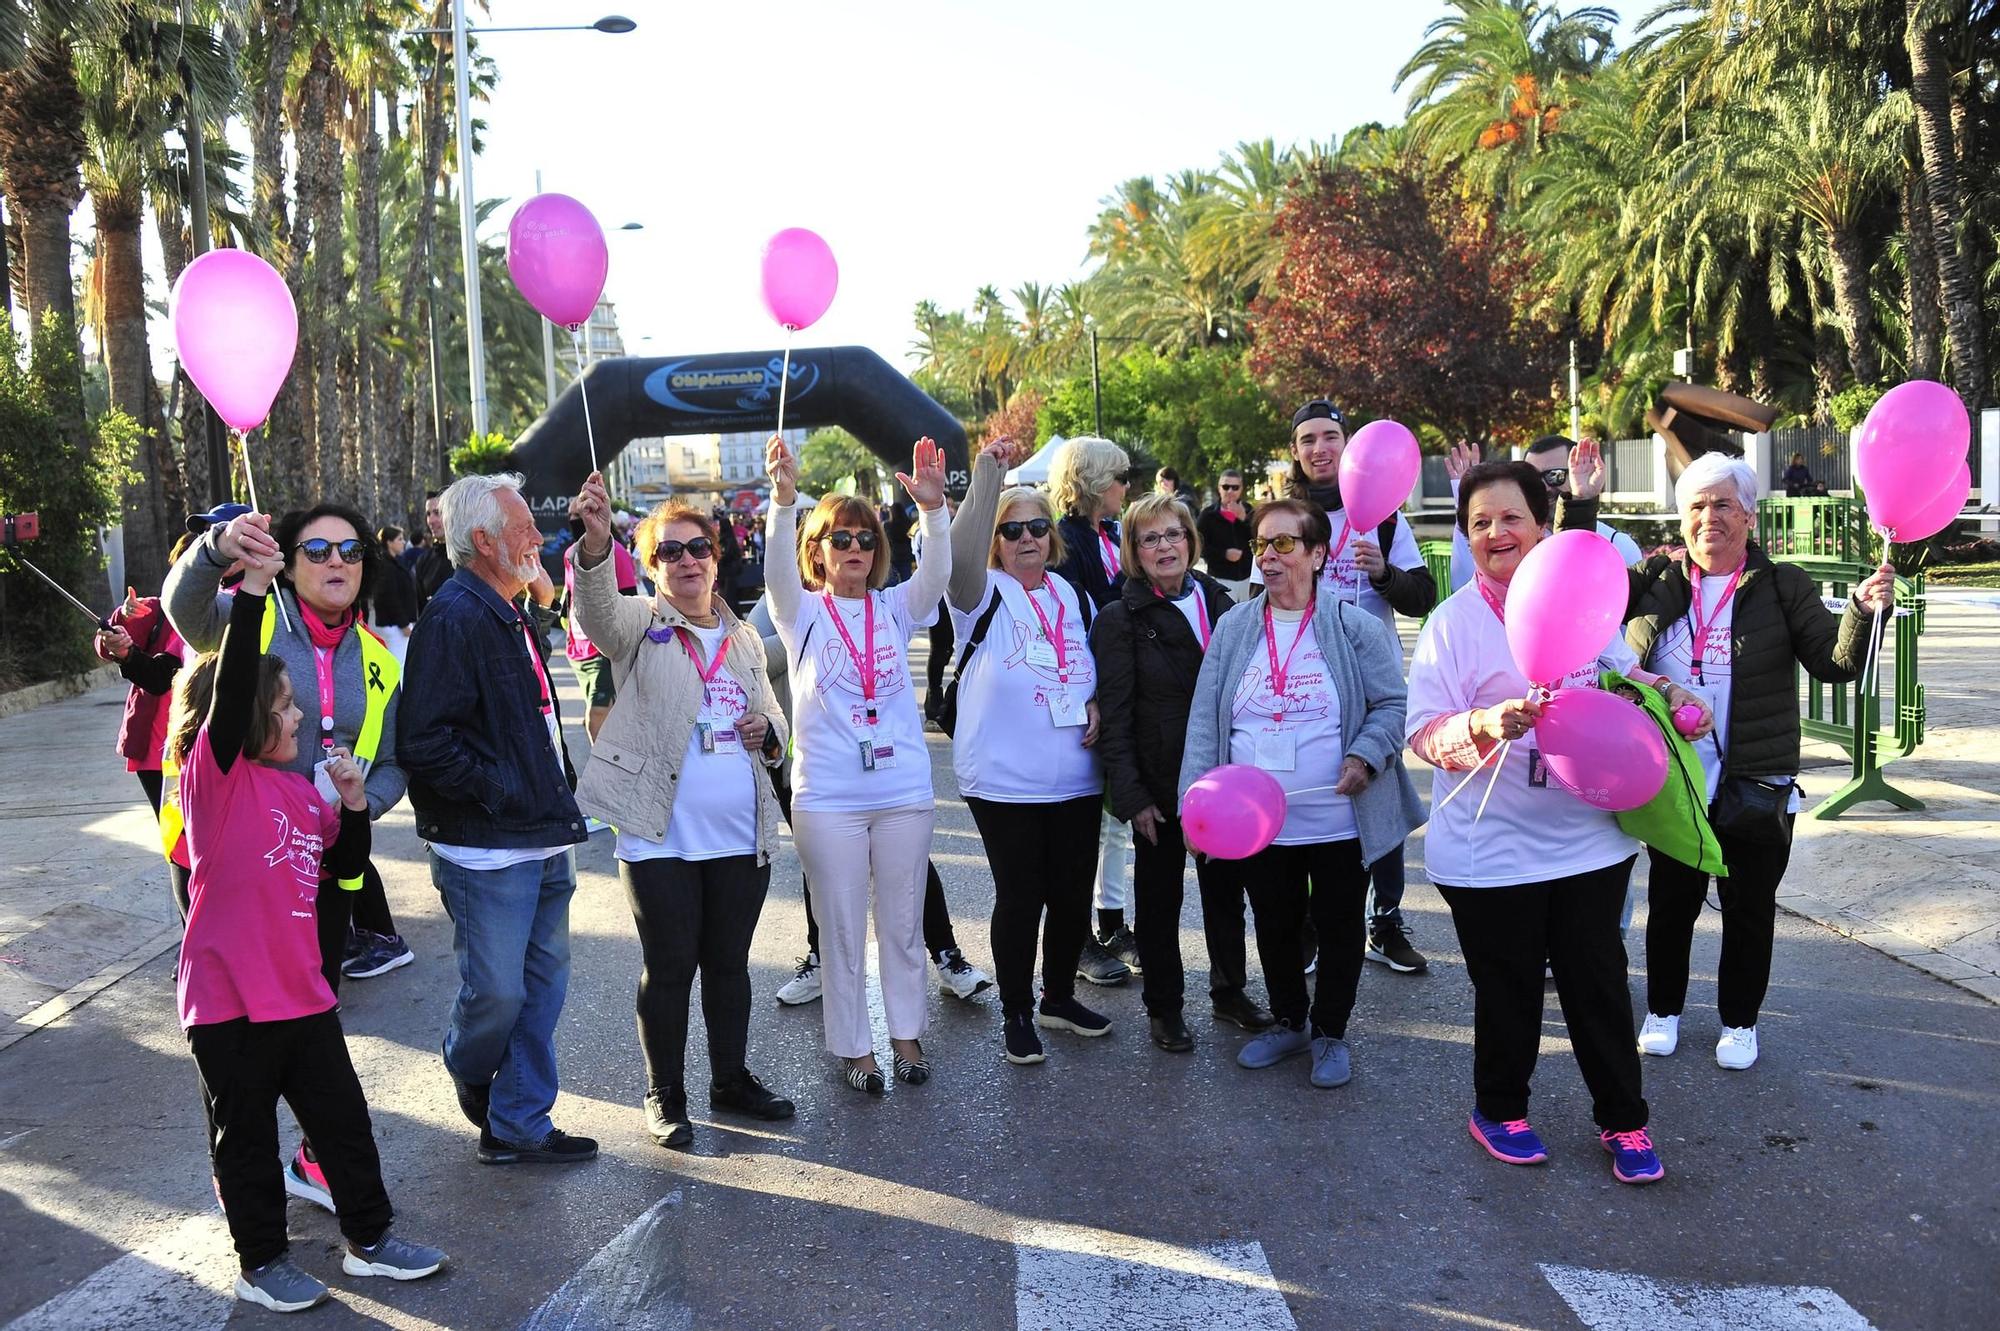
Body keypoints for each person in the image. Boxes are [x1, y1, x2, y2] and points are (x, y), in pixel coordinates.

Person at [1406, 459, 1709, 1184]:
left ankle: (1625, 1119)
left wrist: (1669, 695)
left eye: (1511, 517)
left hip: (1586, 838)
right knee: (1506, 986)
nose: (1496, 532)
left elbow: (1614, 676)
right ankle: (1499, 1107)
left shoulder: (1577, 600)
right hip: (1492, 846)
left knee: (1597, 980)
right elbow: (1422, 731)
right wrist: (1486, 721)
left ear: (1542, 526)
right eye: (1479, 522)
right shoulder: (1453, 625)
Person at [168, 545, 444, 1314]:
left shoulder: (298, 793)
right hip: (228, 1005)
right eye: (283, 705)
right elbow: (229, 698)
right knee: (247, 1140)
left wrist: (353, 803)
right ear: (251, 715)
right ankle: (260, 1261)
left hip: (302, 994)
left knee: (343, 1124)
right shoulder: (215, 781)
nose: (296, 714)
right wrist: (254, 588)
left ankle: (372, 1239)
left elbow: (345, 868)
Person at [1566, 446, 1895, 1071]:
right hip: (1673, 779)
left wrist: (1860, 610)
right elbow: (1574, 580)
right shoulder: (1654, 581)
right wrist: (1581, 504)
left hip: (1754, 777)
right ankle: (1663, 1010)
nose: (1708, 516)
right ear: (1681, 516)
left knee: (1749, 910)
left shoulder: (1783, 585)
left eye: (1722, 504)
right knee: (1671, 904)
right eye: (1696, 505)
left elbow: (1836, 663)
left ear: (1748, 516)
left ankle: (1740, 1022)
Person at [568, 477, 796, 1150]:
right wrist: (596, 543)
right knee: (670, 966)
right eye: (670, 551)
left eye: (699, 547)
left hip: (736, 831)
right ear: (651, 566)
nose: (687, 560)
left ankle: (730, 1078)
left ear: (717, 557)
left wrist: (768, 728)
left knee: (729, 963)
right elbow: (597, 615)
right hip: (657, 831)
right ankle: (664, 1094)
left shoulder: (745, 638)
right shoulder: (640, 623)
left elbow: (775, 715)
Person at [1180, 499, 1423, 1087]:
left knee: (1339, 928)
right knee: (1275, 923)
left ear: (1318, 554)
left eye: (1284, 544)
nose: (1268, 555)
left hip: (1337, 819)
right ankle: (1291, 1020)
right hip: (1257, 823)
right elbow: (1205, 720)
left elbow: (1394, 704)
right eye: (1263, 544)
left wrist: (1367, 754)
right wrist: (1195, 803)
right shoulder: (1236, 626)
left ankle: (1331, 1033)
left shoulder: (1354, 626)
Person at [398, 472, 597, 1165]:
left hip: (542, 833)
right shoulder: (452, 616)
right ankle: (466, 1063)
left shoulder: (506, 607)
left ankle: (518, 1120)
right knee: (500, 992)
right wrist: (500, 789)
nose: (537, 539)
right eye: (522, 530)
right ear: (482, 541)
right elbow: (423, 740)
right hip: (487, 846)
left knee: (541, 988)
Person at [165, 503, 417, 995]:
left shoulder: (379, 661)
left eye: (351, 551)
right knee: (243, 1006)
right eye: (318, 550)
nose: (336, 562)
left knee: (318, 1000)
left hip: (320, 866)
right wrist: (216, 548)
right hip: (239, 863)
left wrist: (357, 810)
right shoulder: (251, 617)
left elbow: (392, 762)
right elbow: (183, 608)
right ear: (290, 562)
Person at [764, 434, 951, 1092]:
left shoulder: (897, 606)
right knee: (842, 928)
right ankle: (855, 1049)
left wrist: (933, 511)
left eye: (865, 539)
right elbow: (776, 579)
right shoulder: (804, 613)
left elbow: (935, 579)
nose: (854, 549)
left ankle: (905, 1036)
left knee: (902, 924)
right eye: (839, 539)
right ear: (817, 549)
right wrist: (783, 503)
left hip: (903, 790)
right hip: (829, 799)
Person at [1091, 493, 1275, 1051]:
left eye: (1173, 534)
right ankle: (1164, 1007)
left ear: (1191, 541)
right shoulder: (1119, 619)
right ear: (1135, 552)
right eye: (1150, 538)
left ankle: (1228, 992)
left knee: (1226, 894)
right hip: (1158, 784)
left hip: (1224, 779)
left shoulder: (1222, 601)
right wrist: (1133, 797)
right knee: (1159, 899)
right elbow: (1115, 718)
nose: (1164, 546)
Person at [946, 441, 1109, 1065]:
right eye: (1011, 530)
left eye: (1037, 527)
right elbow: (958, 551)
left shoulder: (1074, 595)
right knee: (1022, 896)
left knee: (1071, 894)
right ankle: (1017, 1008)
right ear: (996, 541)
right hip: (1004, 779)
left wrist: (1095, 701)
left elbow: (1090, 664)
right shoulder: (977, 591)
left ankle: (1058, 997)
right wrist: (988, 477)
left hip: (1075, 774)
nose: (1026, 539)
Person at [1279, 399, 1436, 977]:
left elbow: (1423, 598)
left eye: (1330, 436)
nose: (1320, 448)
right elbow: (1256, 600)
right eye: (1308, 439)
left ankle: (1385, 920)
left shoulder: (1386, 516)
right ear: (1295, 452)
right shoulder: (1284, 517)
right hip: (1302, 683)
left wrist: (1382, 575)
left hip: (1374, 685)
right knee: (1313, 797)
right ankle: (1312, 925)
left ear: (1347, 446)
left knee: (1380, 797)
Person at [1048, 435, 1138, 985]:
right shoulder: (1066, 540)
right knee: (1083, 829)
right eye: (1120, 477)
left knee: (1113, 824)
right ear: (1095, 482)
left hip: (1116, 689)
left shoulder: (1107, 534)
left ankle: (1111, 923)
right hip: (1085, 695)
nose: (1127, 487)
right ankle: (1078, 939)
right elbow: (1075, 624)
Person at [1444, 436, 1643, 590]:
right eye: (1533, 478)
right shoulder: (1513, 543)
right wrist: (1472, 501)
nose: (1544, 487)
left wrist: (1583, 499)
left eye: (1555, 476)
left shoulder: (1616, 545)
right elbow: (1464, 583)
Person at [559, 497, 640, 744]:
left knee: (597, 713)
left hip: (603, 649)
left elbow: (629, 599)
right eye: (571, 516)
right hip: (578, 651)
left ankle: (601, 772)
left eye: (579, 516)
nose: (575, 522)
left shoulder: (616, 554)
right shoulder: (569, 553)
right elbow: (570, 596)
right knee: (601, 713)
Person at [1196, 469, 1254, 599]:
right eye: (1226, 487)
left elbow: (1259, 541)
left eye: (1235, 487)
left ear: (1241, 489)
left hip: (1248, 578)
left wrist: (1244, 519)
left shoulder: (1249, 511)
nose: (1230, 491)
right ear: (1219, 488)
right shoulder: (1208, 515)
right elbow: (1198, 546)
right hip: (1220, 579)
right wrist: (1224, 554)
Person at [369, 526, 419, 665]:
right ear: (389, 542)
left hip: (398, 623)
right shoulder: (386, 566)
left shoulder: (394, 563)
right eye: (399, 539)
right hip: (395, 625)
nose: (403, 542)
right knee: (399, 664)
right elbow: (389, 597)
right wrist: (403, 624)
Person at [412, 490, 453, 609]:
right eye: (428, 514)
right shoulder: (423, 561)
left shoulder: (470, 558)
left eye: (437, 512)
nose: (431, 520)